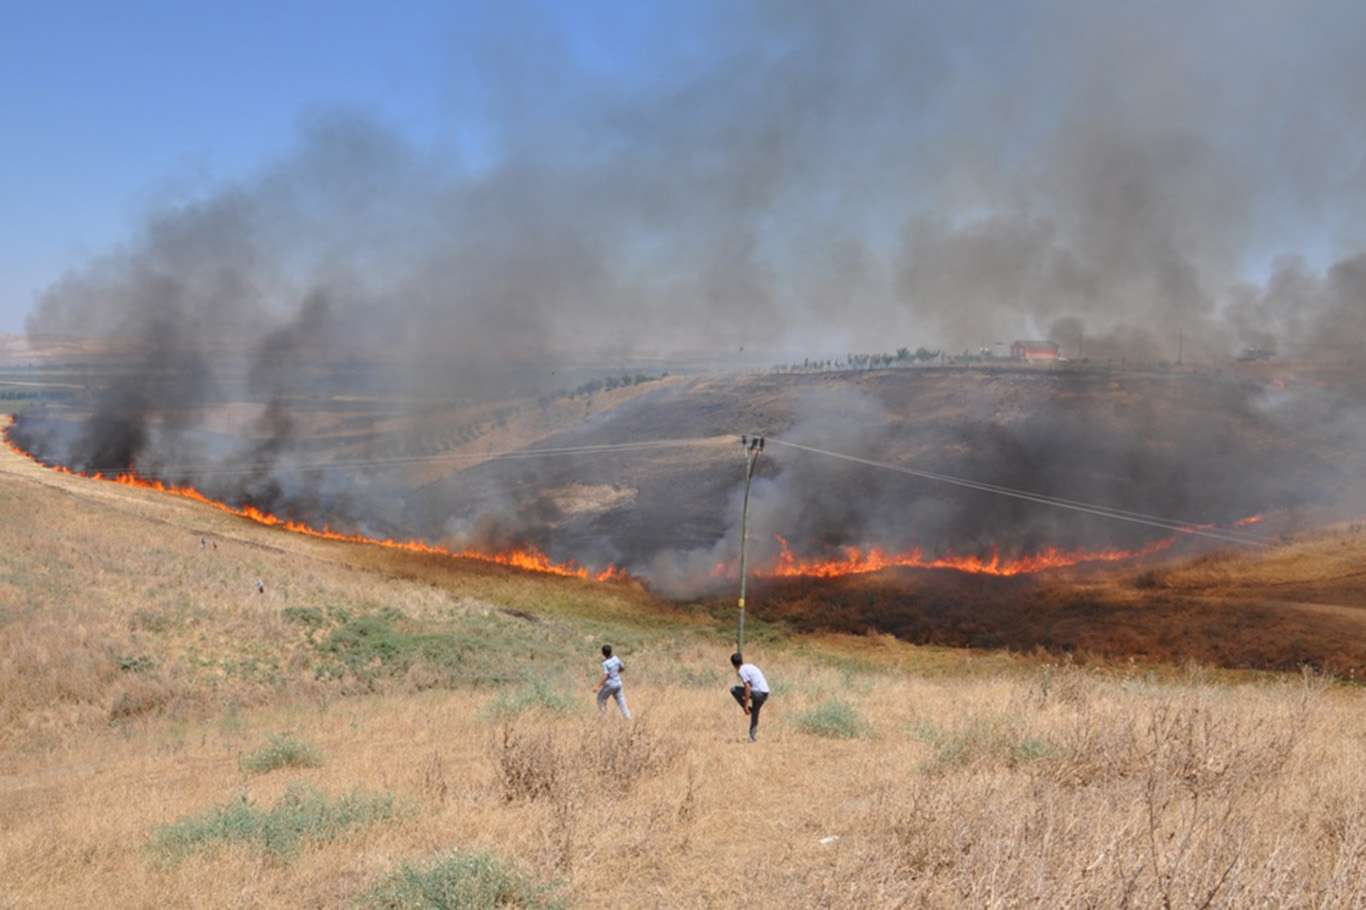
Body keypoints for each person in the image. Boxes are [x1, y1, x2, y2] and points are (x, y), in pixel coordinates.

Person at [730, 652, 770, 742]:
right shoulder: (749, 666)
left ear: (733, 664)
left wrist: (745, 705)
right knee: (755, 714)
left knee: (733, 690)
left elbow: (747, 687)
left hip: (758, 693)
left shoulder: (741, 670)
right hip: (765, 693)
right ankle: (752, 737)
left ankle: (748, 708)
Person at [594, 644, 631, 719]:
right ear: (611, 651)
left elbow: (606, 676)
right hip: (618, 683)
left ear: (603, 653)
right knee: (621, 702)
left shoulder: (605, 663)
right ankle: (628, 718)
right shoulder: (616, 658)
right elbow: (622, 668)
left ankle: (602, 718)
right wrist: (615, 673)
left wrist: (597, 686)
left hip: (610, 684)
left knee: (600, 699)